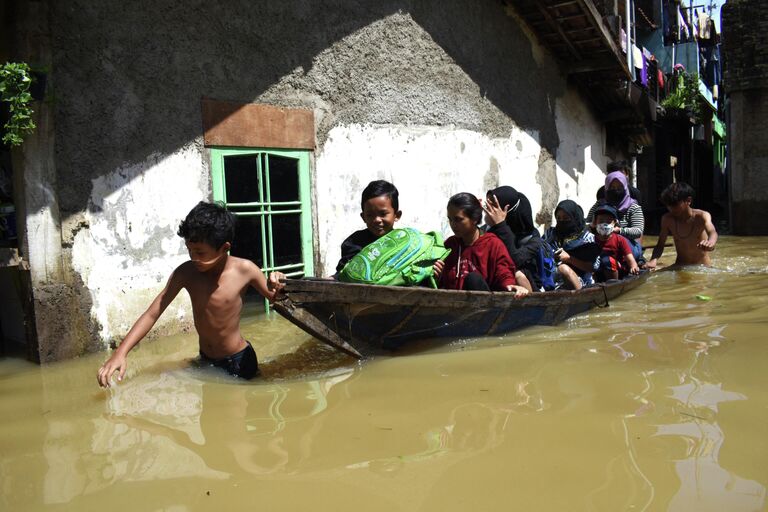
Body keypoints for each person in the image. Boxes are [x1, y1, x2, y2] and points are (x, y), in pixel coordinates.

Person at [97, 202, 285, 386]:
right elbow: (152, 313)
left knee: (234, 413)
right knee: (209, 415)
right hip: (205, 358)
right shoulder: (186, 273)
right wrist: (121, 352)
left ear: (225, 248)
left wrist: (279, 282)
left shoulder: (245, 270)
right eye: (189, 251)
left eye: (200, 252)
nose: (193, 257)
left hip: (238, 360)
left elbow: (278, 299)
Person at [433, 192, 530, 296]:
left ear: (474, 219)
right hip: (453, 305)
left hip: (484, 307)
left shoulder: (492, 244)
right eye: (450, 219)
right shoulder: (450, 245)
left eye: (458, 220)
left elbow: (504, 273)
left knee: (473, 279)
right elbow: (443, 282)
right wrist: (437, 275)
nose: (453, 225)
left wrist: (511, 286)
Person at [483, 186, 551, 291]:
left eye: (493, 206)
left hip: (526, 287)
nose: (487, 209)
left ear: (506, 210)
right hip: (496, 281)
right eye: (487, 204)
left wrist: (501, 226)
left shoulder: (532, 238)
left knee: (516, 274)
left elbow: (513, 261)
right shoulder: (487, 229)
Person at [645, 182, 718, 269]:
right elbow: (660, 245)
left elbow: (712, 232)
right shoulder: (667, 219)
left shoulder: (702, 216)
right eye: (668, 205)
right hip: (680, 266)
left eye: (675, 204)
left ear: (688, 201)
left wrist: (711, 243)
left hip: (703, 267)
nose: (671, 208)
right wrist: (653, 260)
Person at [335, 180, 402, 273]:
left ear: (397, 215)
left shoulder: (403, 241)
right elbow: (345, 271)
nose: (377, 220)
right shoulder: (354, 242)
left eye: (383, 214)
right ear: (363, 217)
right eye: (370, 215)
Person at [587, 170, 645, 262]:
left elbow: (638, 231)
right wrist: (592, 226)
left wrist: (620, 231)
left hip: (627, 247)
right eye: (612, 187)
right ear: (606, 188)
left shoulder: (633, 207)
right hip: (601, 242)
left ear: (625, 187)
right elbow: (587, 223)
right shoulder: (599, 205)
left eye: (619, 187)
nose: (615, 190)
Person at [544, 200, 599, 290]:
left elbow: (593, 268)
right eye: (559, 218)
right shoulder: (550, 234)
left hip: (580, 281)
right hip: (552, 279)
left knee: (563, 269)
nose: (562, 221)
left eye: (566, 218)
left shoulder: (587, 238)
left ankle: (580, 298)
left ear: (574, 218)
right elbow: (542, 247)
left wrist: (569, 259)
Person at [592, 204, 640, 280]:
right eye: (601, 221)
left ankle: (613, 283)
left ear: (615, 224)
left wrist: (633, 267)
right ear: (594, 223)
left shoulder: (620, 239)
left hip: (617, 270)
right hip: (599, 269)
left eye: (608, 222)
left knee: (607, 260)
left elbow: (630, 259)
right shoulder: (591, 240)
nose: (604, 225)